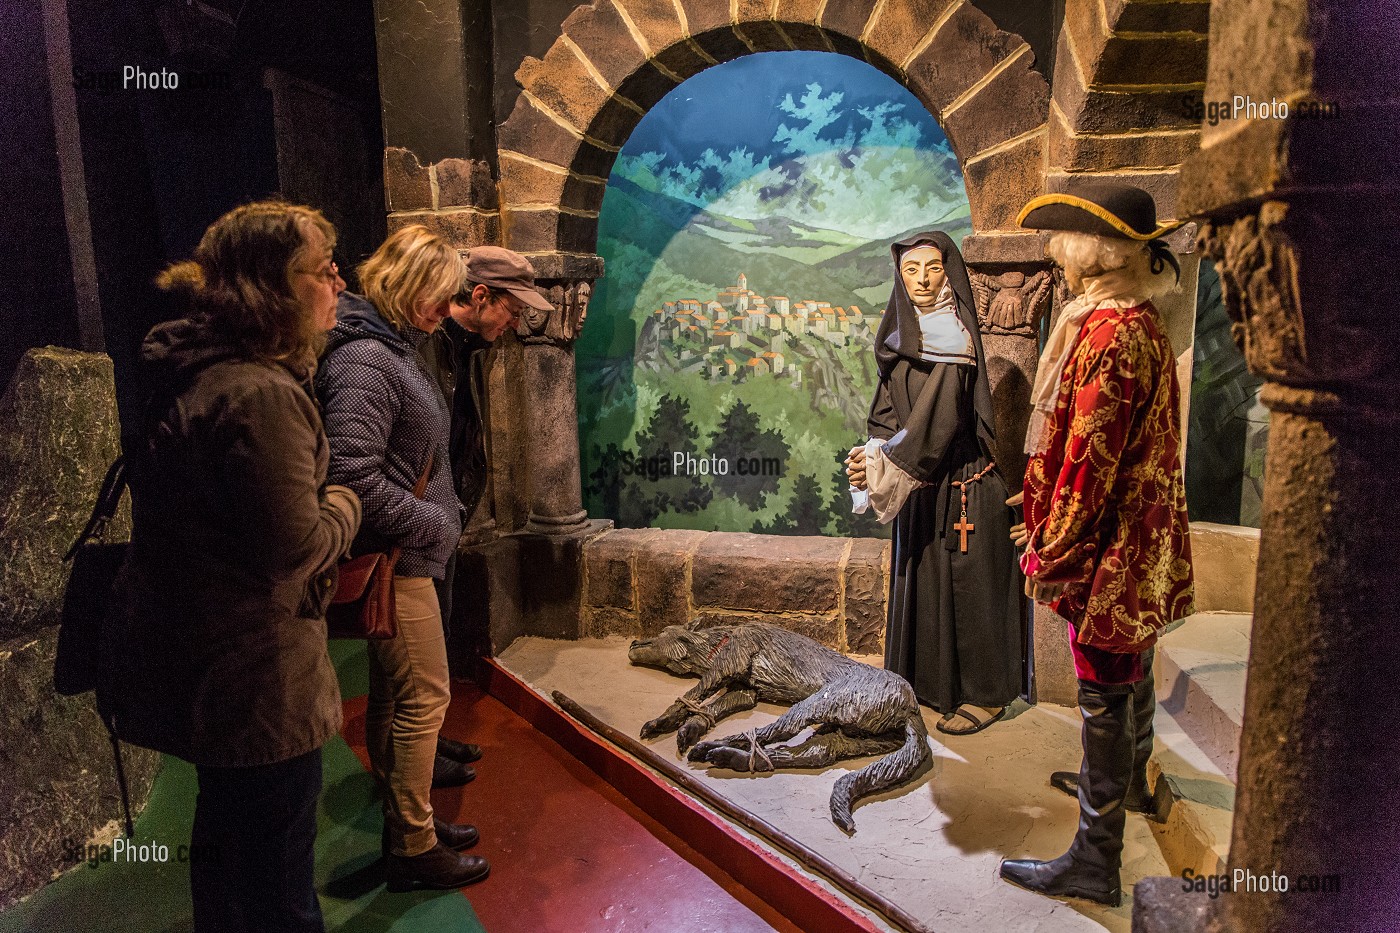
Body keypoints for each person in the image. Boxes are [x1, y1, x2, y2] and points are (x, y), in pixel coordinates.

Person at [107, 200, 362, 933]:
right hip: (259, 683)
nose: (338, 281)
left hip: (208, 673)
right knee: (280, 893)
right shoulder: (258, 394)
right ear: (271, 287)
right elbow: (294, 548)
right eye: (321, 269)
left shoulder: (198, 375)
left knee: (227, 869)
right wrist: (345, 499)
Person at [999, 183, 1194, 907]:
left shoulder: (1111, 334)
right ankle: (1125, 786)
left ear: (1095, 250)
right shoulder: (1135, 320)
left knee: (1104, 685)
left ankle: (1096, 853)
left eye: (1067, 241)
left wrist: (1050, 550)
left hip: (1113, 549)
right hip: (1134, 538)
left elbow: (1089, 463)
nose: (1058, 253)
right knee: (1128, 666)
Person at [316, 225, 490, 891]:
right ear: (408, 283)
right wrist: (435, 524)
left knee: (395, 694)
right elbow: (352, 476)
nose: (445, 312)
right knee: (425, 697)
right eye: (439, 297)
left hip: (411, 552)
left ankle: (406, 820)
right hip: (401, 555)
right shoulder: (366, 358)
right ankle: (412, 847)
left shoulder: (394, 348)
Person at [845, 231, 1024, 735]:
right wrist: (868, 455)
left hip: (962, 485)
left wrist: (885, 464)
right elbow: (885, 416)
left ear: (950, 272)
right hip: (921, 486)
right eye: (910, 271)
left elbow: (933, 429)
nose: (922, 281)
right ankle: (927, 686)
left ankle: (986, 696)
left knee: (970, 594)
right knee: (922, 585)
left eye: (932, 268)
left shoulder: (955, 342)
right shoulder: (901, 338)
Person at [415, 246, 550, 770]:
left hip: (444, 515)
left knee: (439, 640)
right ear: (478, 295)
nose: (516, 322)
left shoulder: (465, 348)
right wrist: (434, 515)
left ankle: (430, 742)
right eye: (512, 310)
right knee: (415, 662)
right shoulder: (428, 348)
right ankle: (416, 766)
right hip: (424, 520)